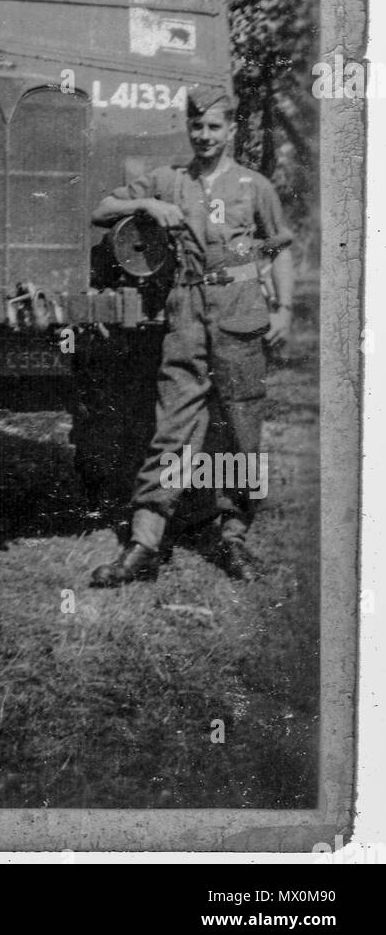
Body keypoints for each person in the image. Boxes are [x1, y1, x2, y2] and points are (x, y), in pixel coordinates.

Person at [87, 85, 294, 587]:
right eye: (196, 126)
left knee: (240, 428)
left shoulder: (253, 186)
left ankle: (234, 534)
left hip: (241, 313)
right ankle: (145, 542)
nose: (204, 136)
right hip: (186, 314)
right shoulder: (168, 181)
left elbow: (279, 248)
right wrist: (152, 209)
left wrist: (284, 308)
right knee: (173, 426)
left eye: (214, 127)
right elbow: (102, 208)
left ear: (232, 130)